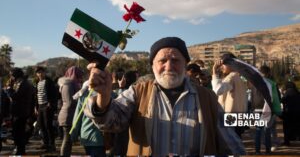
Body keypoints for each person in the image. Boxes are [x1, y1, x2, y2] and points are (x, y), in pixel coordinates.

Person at [84, 37, 242, 156]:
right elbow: (112, 123)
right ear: (153, 66)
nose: (169, 66)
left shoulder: (208, 99)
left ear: (185, 64)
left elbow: (231, 144)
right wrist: (103, 98)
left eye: (175, 60)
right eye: (162, 60)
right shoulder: (137, 93)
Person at [211, 53, 248, 137]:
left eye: (223, 64)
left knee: (230, 145)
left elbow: (217, 90)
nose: (221, 67)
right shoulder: (240, 77)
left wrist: (214, 71)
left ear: (231, 64)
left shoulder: (231, 77)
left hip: (230, 117)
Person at [70, 81, 106, 157]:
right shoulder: (108, 95)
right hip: (102, 137)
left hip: (86, 135)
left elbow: (77, 118)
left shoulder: (84, 97)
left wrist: (74, 135)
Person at [57, 66, 83, 156]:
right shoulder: (69, 84)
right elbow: (70, 101)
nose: (80, 78)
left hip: (68, 114)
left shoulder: (70, 83)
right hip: (68, 115)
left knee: (68, 140)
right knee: (67, 139)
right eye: (78, 75)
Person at [9, 68, 35, 155]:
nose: (11, 77)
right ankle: (20, 150)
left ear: (16, 75)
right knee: (19, 132)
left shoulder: (23, 84)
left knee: (18, 133)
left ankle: (20, 151)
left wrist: (9, 89)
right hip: (21, 111)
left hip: (20, 112)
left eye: (12, 75)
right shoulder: (23, 83)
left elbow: (15, 96)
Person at [35, 66, 58, 152]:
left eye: (41, 72)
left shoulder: (49, 82)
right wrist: (35, 107)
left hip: (47, 106)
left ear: (44, 72)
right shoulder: (37, 82)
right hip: (40, 106)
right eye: (38, 72)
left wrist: (50, 103)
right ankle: (45, 143)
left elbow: (54, 94)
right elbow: (36, 95)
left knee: (48, 125)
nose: (40, 74)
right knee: (41, 125)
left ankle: (52, 145)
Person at [281, 81, 300, 145]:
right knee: (297, 127)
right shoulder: (297, 92)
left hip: (288, 113)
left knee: (286, 128)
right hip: (298, 113)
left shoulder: (287, 93)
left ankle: (287, 141)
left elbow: (283, 100)